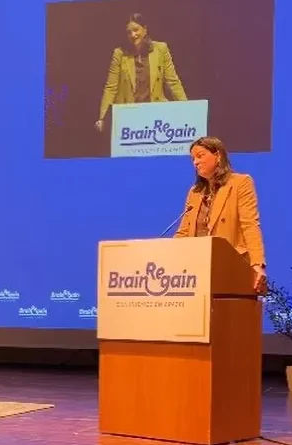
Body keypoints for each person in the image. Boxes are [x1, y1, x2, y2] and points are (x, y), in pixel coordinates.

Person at [174, 136, 267, 294]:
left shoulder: (240, 183)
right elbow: (183, 232)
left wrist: (257, 264)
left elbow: (250, 225)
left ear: (217, 156)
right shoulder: (195, 192)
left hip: (231, 266)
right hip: (197, 270)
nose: (195, 162)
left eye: (200, 156)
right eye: (193, 159)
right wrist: (167, 257)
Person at [95, 12, 187, 133]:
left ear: (145, 29)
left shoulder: (161, 49)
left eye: (136, 30)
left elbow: (173, 82)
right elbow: (111, 87)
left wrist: (187, 110)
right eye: (129, 32)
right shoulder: (119, 53)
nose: (133, 35)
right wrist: (102, 118)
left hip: (156, 113)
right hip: (128, 114)